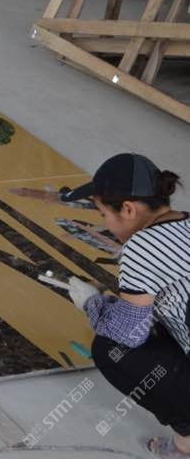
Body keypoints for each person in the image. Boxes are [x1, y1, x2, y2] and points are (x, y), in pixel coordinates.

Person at [60, 153, 190, 457]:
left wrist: (92, 304)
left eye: (104, 213)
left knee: (111, 349)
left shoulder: (143, 246)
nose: (104, 223)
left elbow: (127, 334)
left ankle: (188, 438)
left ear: (129, 209)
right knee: (155, 318)